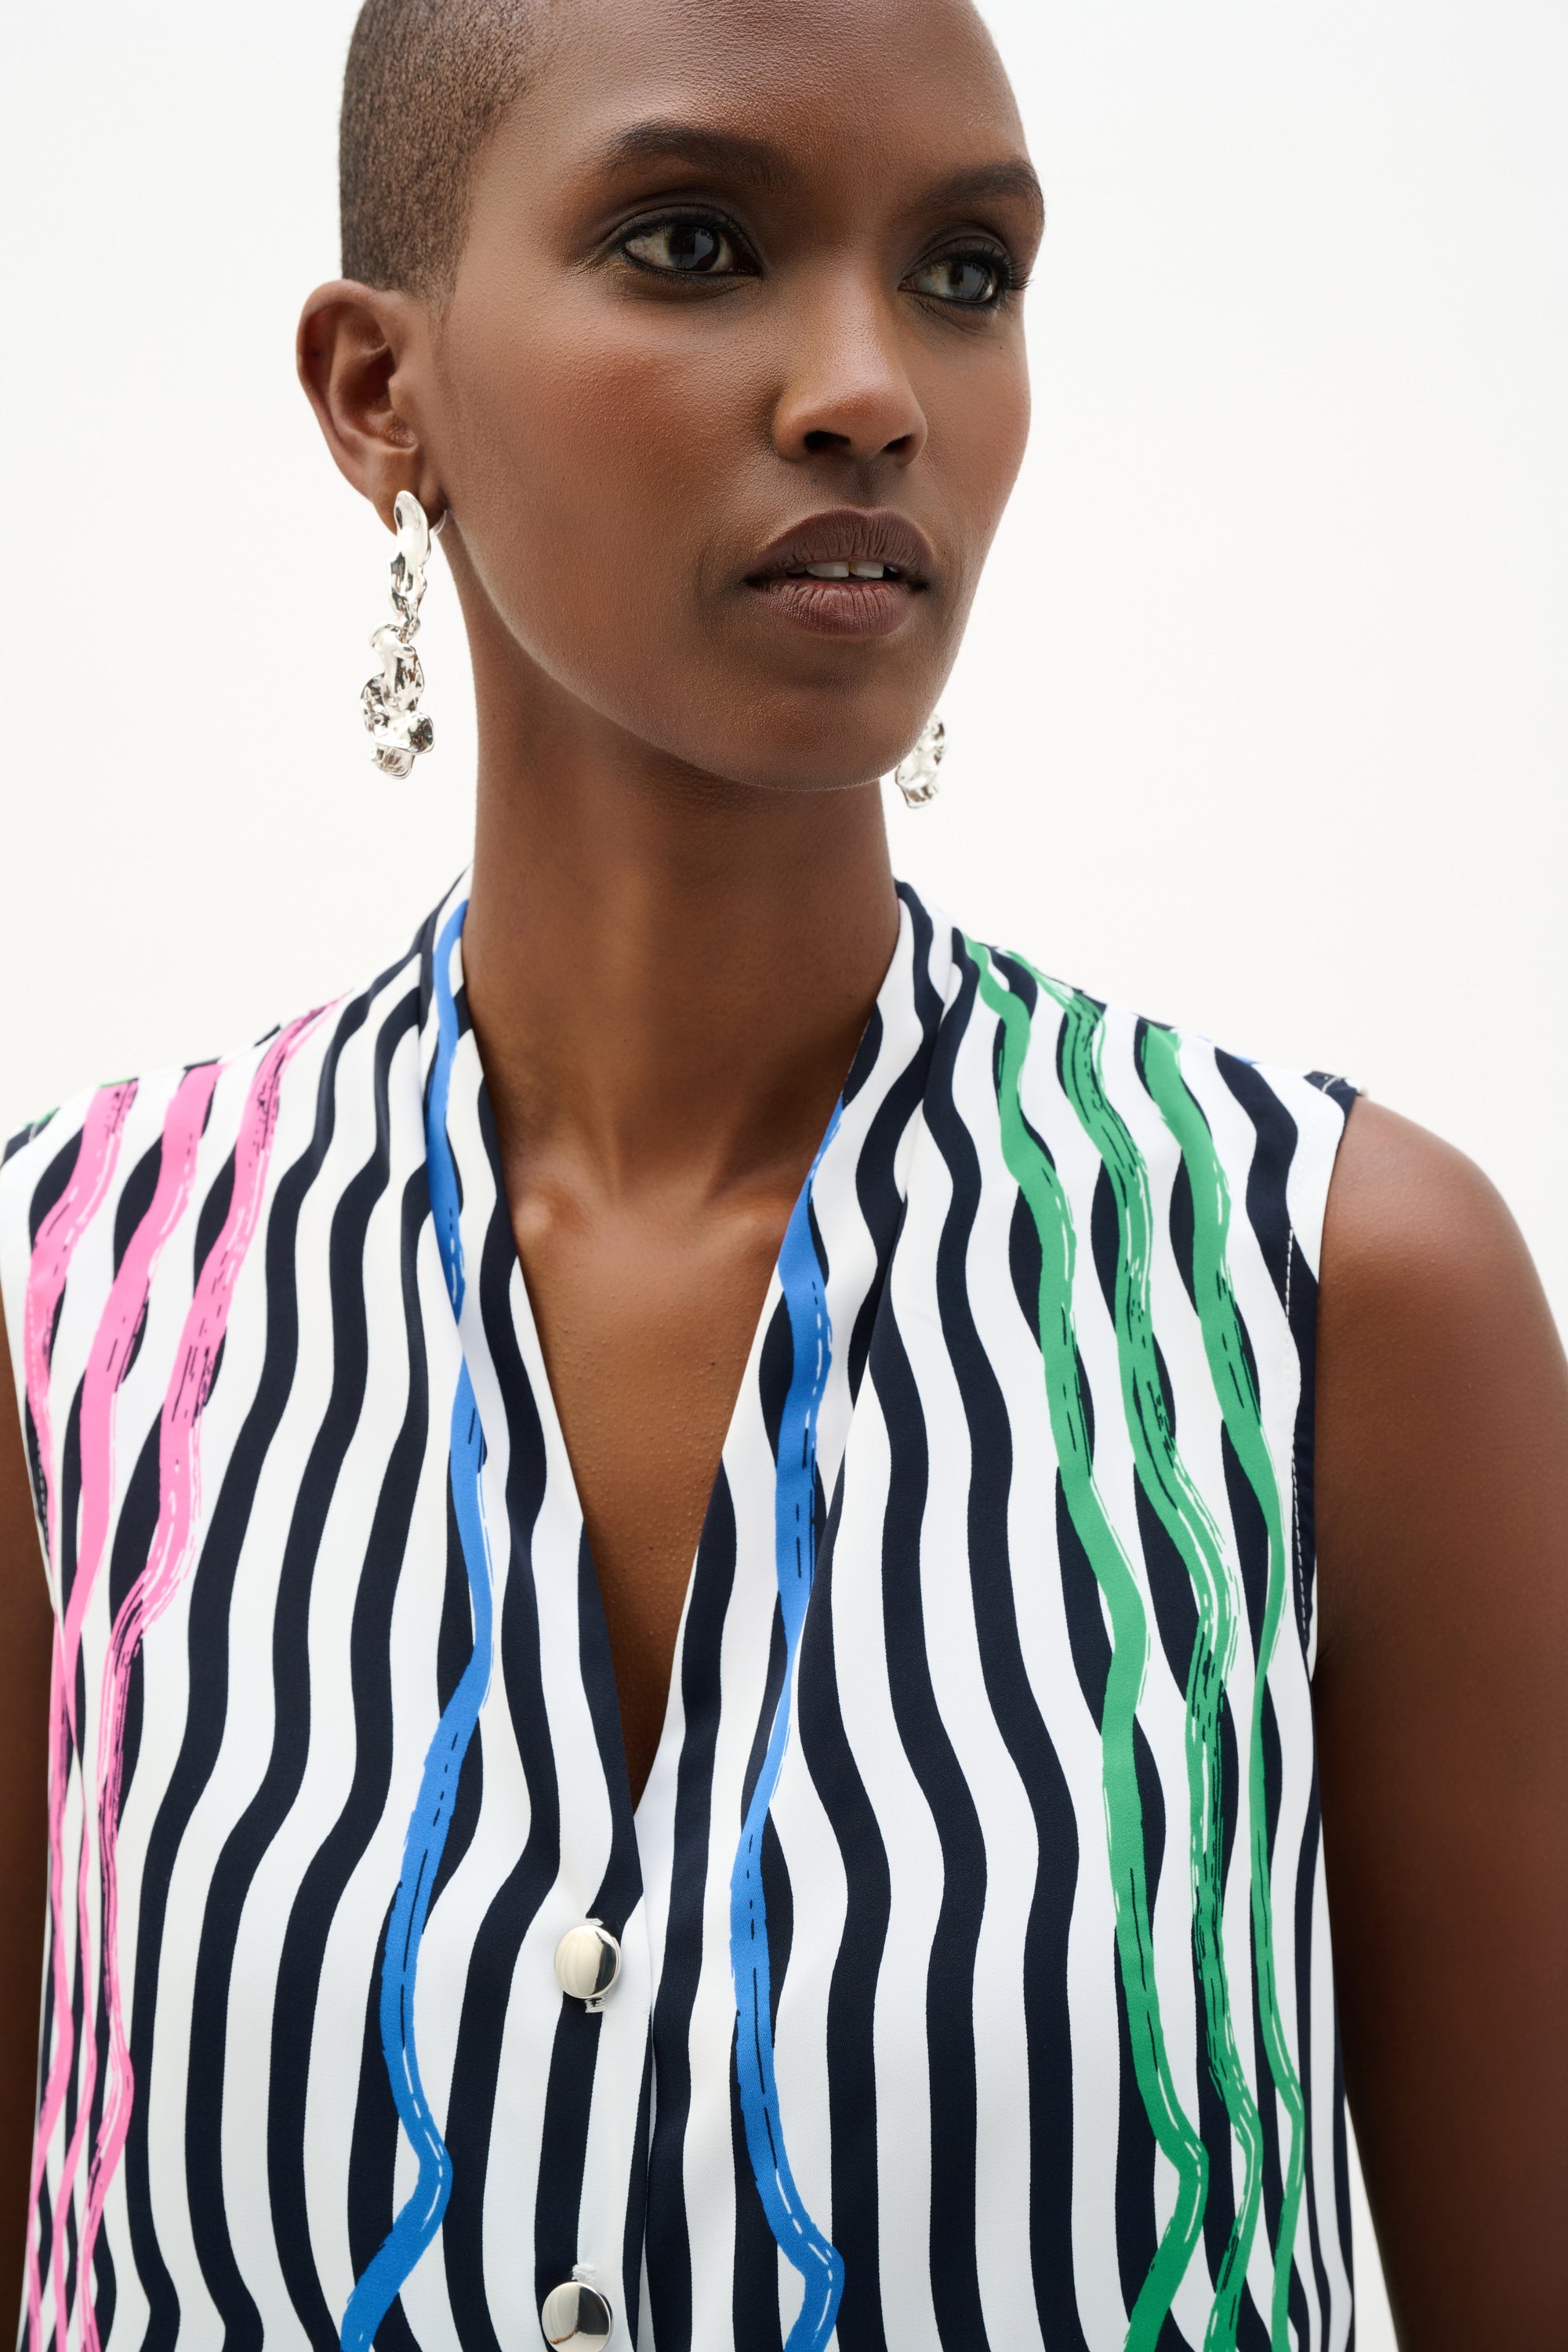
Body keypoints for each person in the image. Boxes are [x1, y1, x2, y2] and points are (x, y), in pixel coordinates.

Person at [2, 1, 1563, 2346]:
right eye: (694, 244)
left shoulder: (1331, 1298)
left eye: (963, 274)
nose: (870, 390)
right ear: (378, 392)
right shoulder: (75, 1309)